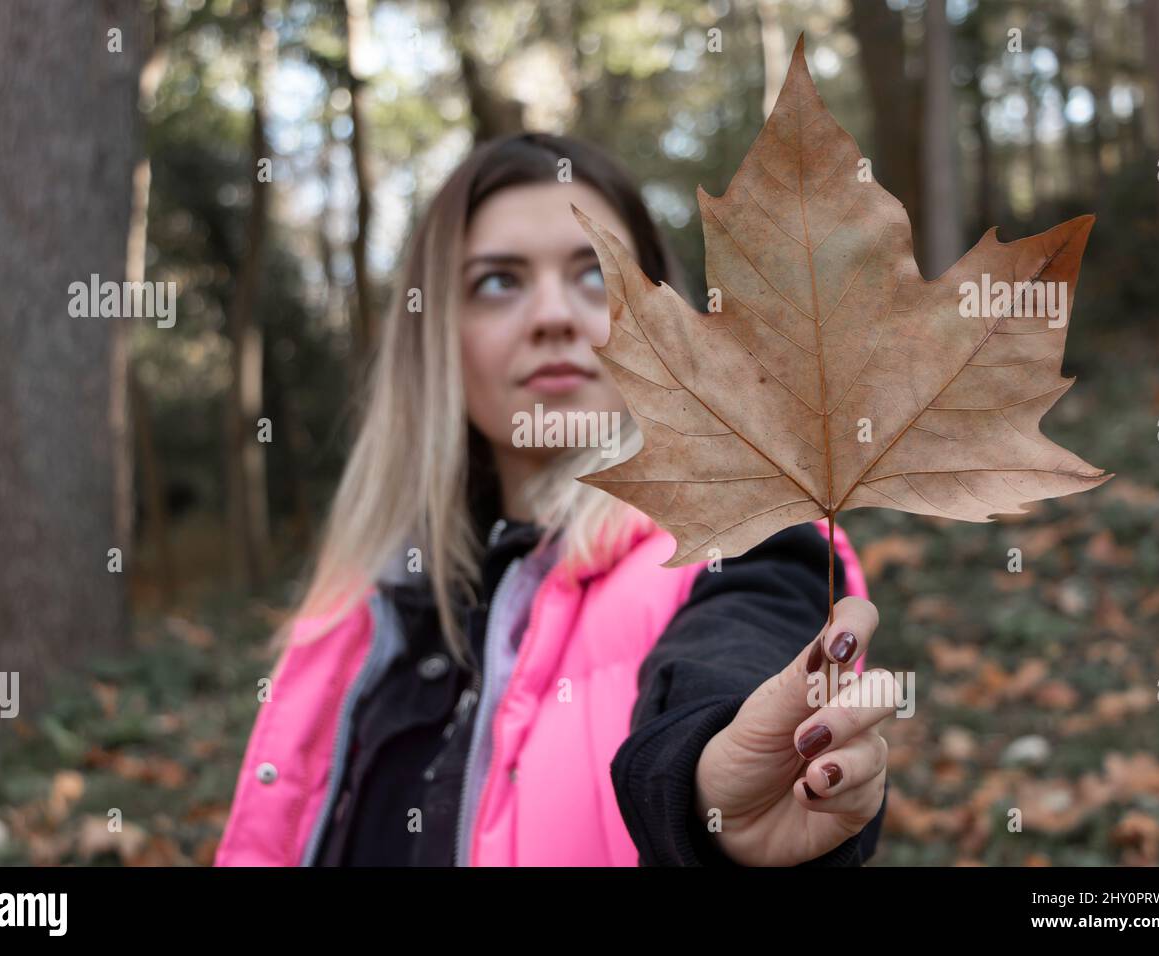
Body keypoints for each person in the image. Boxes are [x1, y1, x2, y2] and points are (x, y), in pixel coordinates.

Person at [215, 131, 890, 867]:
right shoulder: (363, 612)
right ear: (439, 333)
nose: (554, 316)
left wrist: (714, 794)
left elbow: (732, 667)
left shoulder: (739, 540)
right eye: (499, 282)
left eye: (596, 273)